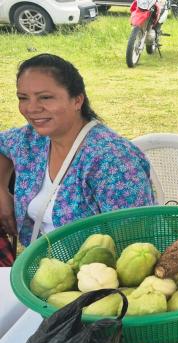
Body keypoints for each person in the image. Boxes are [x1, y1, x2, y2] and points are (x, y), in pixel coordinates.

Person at [0, 54, 155, 247]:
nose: (31, 108)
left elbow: (137, 240)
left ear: (77, 101)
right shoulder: (32, 140)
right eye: (23, 98)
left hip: (96, 273)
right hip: (45, 267)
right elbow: (3, 144)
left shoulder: (113, 160)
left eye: (45, 97)